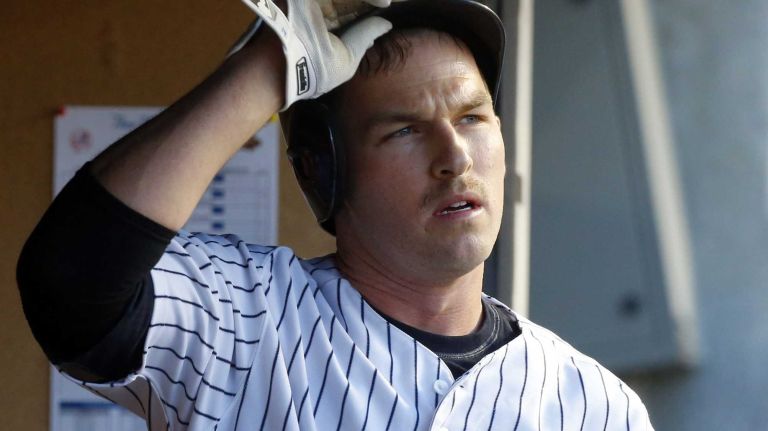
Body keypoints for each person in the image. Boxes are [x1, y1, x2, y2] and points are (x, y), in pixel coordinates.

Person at [17, 0, 654, 429]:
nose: (454, 157)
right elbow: (70, 284)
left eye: (472, 118)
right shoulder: (246, 319)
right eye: (404, 130)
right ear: (320, 171)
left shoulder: (597, 407)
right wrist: (269, 70)